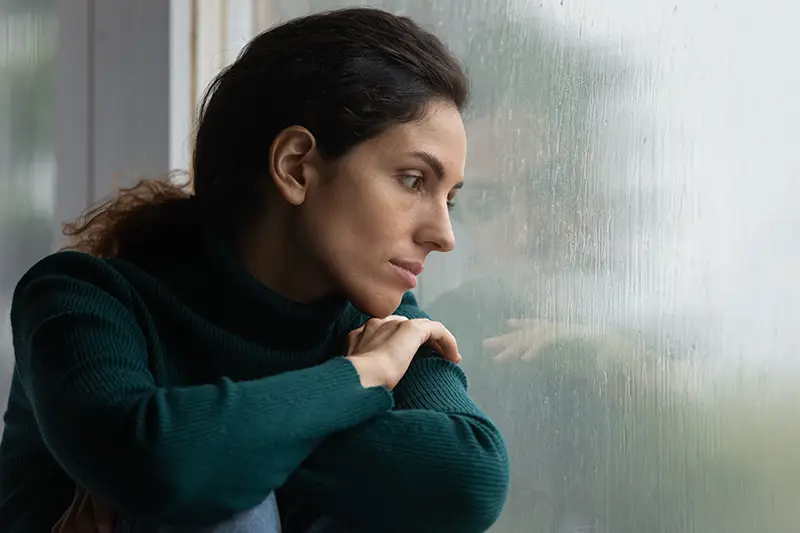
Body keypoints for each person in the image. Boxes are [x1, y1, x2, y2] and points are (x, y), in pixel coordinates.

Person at [0, 8, 510, 533]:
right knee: (227, 509)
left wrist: (193, 441)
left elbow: (470, 478)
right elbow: (154, 463)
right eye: (412, 180)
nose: (444, 235)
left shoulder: (384, 325)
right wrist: (360, 378)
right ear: (295, 167)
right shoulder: (80, 299)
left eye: (450, 198)